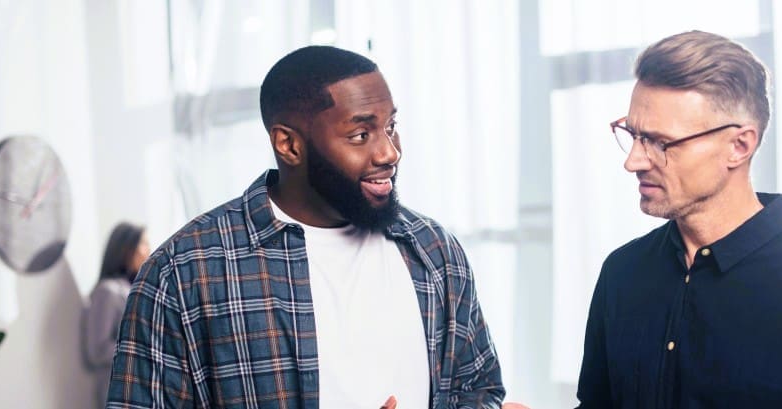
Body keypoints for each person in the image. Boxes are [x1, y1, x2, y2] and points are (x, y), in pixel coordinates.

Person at [106, 46, 505, 408]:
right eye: (361, 134)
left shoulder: (434, 250)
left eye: (390, 126)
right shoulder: (184, 272)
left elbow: (480, 388)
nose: (389, 151)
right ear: (289, 145)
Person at [576, 31, 782, 408]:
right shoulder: (622, 272)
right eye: (633, 135)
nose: (633, 160)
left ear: (739, 146)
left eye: (660, 142)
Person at [83, 221, 149, 408]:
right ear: (126, 249)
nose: (148, 250)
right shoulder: (107, 291)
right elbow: (96, 350)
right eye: (143, 244)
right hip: (119, 393)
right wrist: (142, 348)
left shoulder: (133, 289)